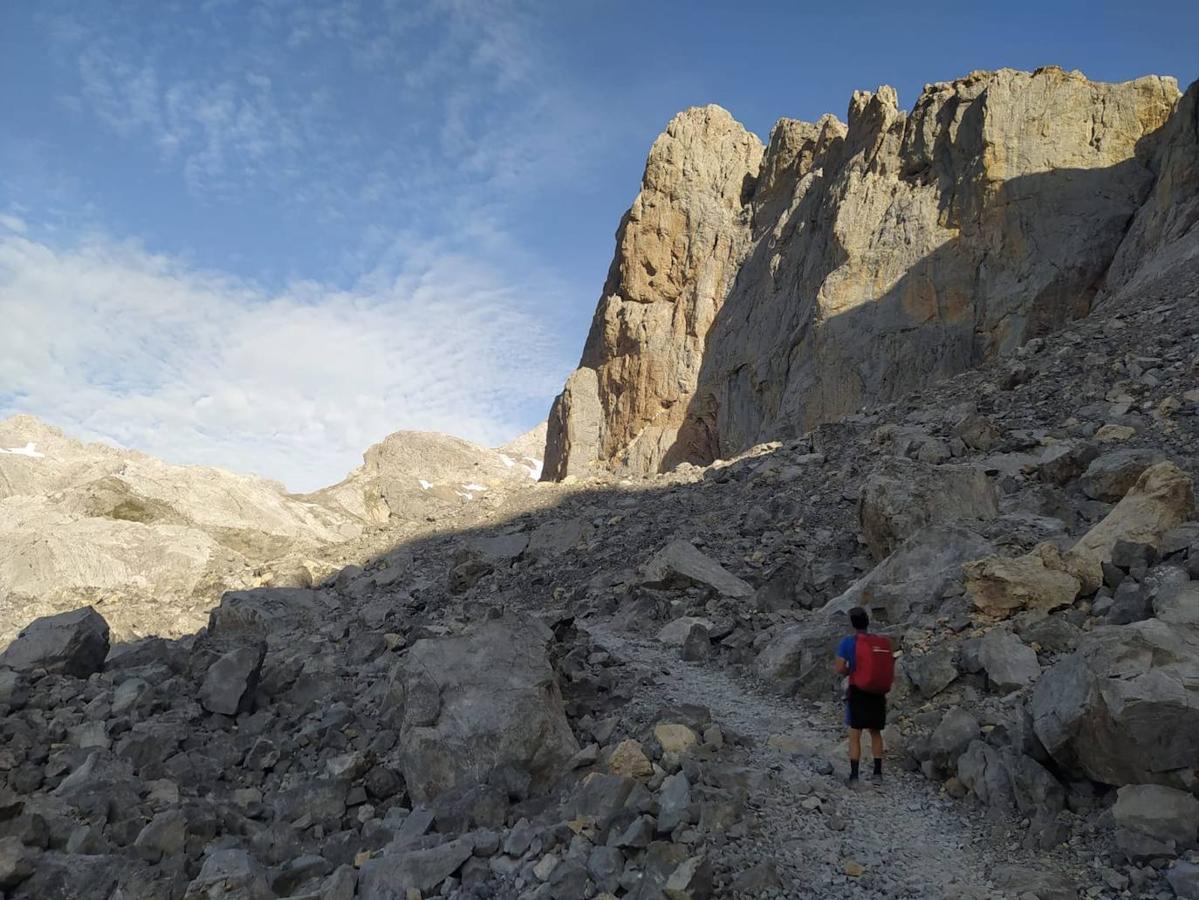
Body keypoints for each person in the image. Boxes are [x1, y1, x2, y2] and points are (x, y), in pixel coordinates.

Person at [834, 606, 888, 785]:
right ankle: (878, 774)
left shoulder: (848, 642)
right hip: (878, 692)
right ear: (867, 622)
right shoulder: (879, 641)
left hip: (858, 691)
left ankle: (854, 776)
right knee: (875, 732)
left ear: (852, 624)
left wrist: (851, 671)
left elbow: (840, 667)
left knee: (855, 733)